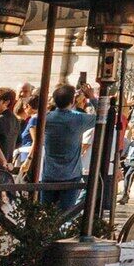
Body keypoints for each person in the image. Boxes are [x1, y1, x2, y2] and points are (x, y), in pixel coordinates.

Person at [35, 84, 96, 212]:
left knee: (46, 214)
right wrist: (92, 98)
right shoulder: (78, 119)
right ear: (72, 100)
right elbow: (104, 117)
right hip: (70, 175)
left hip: (49, 174)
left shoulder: (46, 117)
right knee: (64, 214)